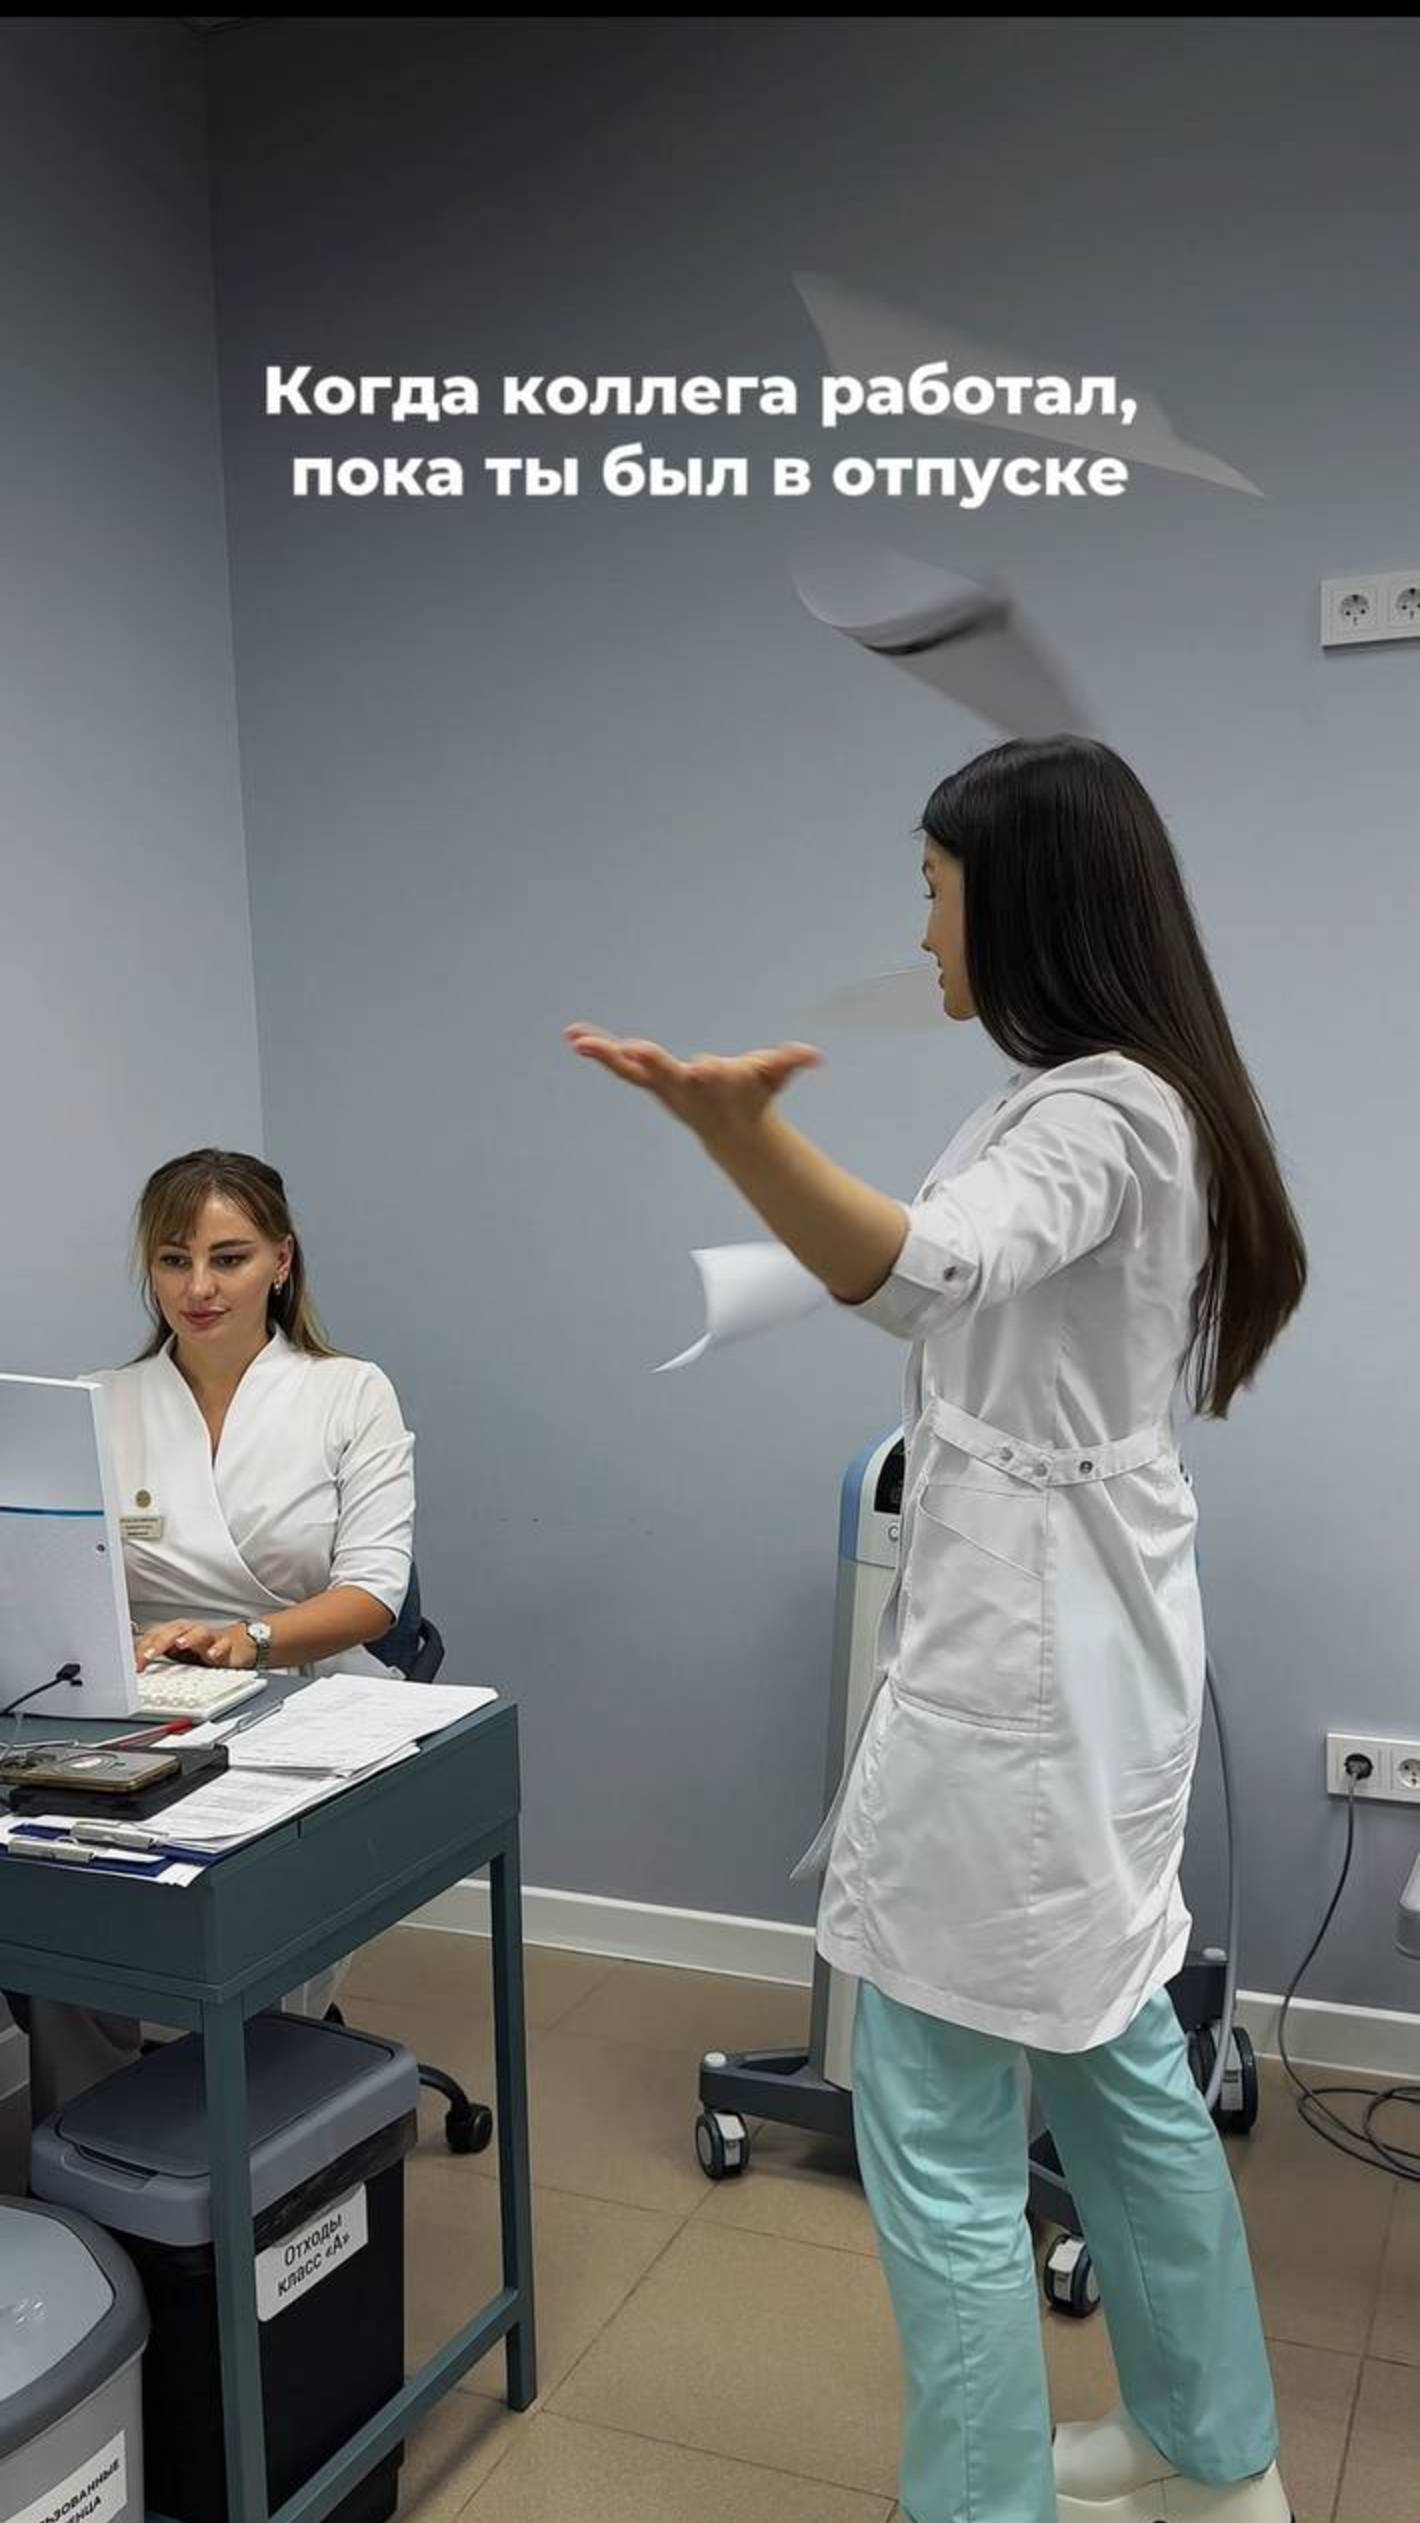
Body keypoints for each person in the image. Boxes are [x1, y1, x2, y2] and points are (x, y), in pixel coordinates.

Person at [566, 734, 1305, 2523]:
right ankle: (1210, 2452)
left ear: (1024, 900)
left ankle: (983, 2503)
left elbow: (929, 1263)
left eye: (935, 890)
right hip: (1095, 1660)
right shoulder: (1131, 1099)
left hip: (1024, 1689)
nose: (922, 931)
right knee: (1119, 2063)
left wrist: (745, 1139)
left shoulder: (1094, 1113)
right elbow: (968, 1280)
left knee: (938, 2123)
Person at [10, 1148, 415, 2124]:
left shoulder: (349, 1392)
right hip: (140, 1696)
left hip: (309, 1684)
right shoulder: (100, 1402)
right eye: (172, 1259)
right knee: (55, 1888)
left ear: (282, 1260)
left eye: (228, 1258)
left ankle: (264, 2127)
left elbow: (373, 1593)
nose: (198, 1287)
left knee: (259, 1903)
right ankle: (95, 2138)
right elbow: (52, 1577)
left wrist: (251, 1638)